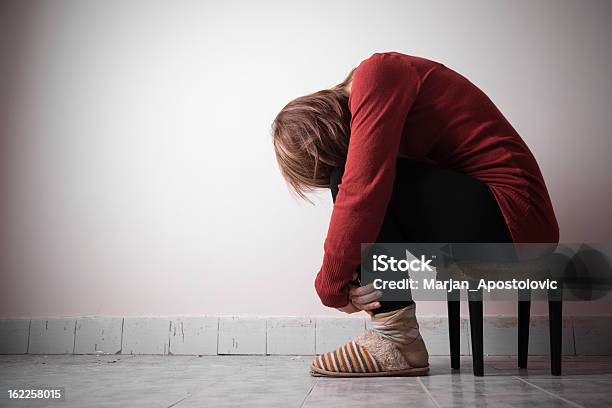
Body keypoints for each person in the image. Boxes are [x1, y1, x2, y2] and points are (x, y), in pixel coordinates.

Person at [270, 51, 559, 377]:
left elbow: (361, 192)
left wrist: (330, 288)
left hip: (517, 217)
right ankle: (395, 335)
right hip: (490, 223)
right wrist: (351, 276)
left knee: (356, 187)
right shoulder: (381, 99)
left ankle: (397, 341)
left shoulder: (379, 73)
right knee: (363, 200)